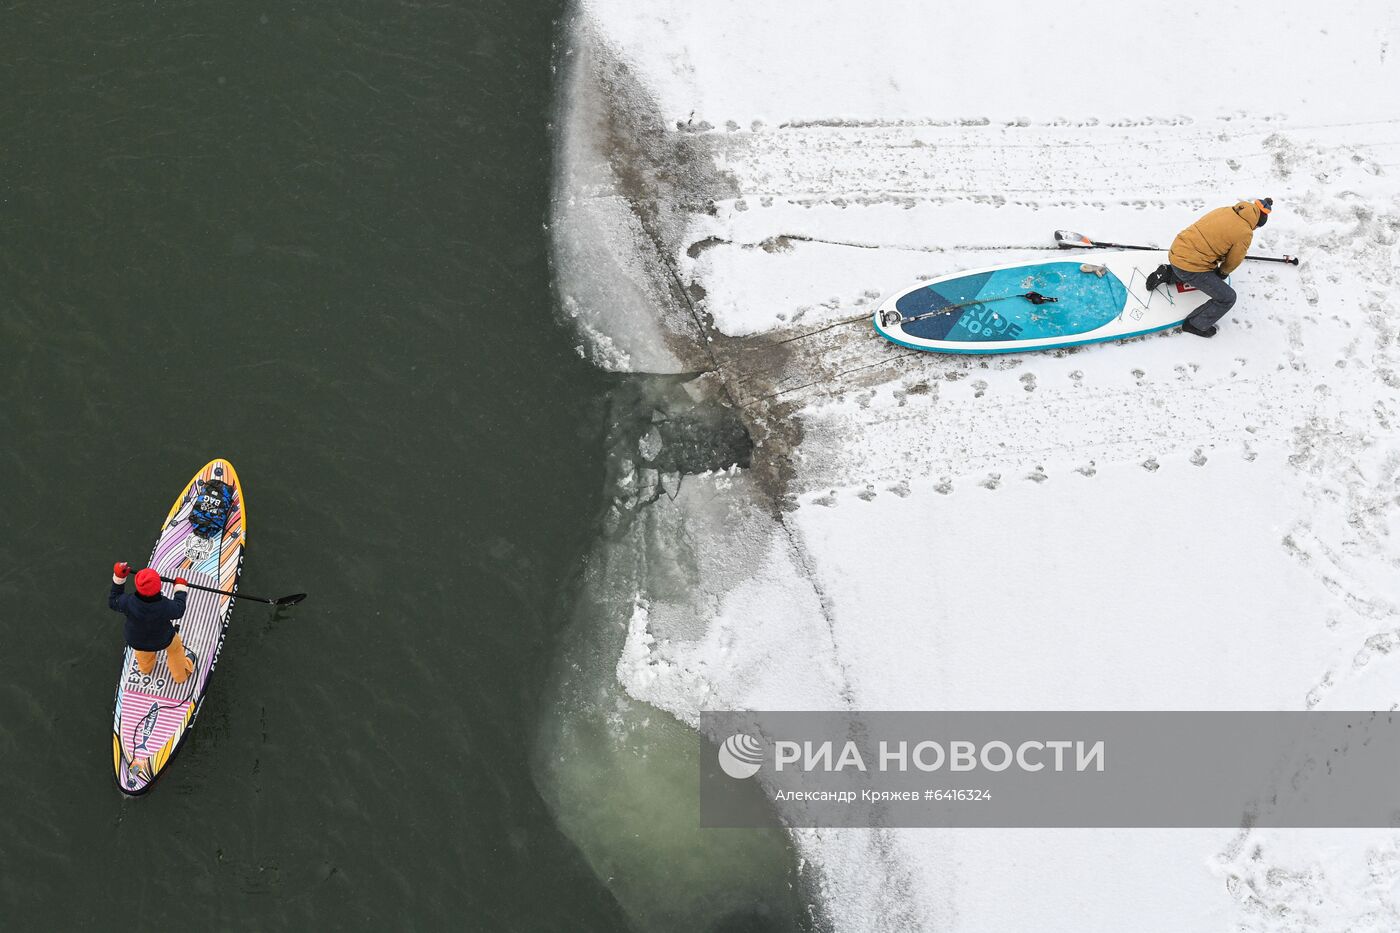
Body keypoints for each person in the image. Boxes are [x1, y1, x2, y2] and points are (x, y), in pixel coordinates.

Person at [1145, 197, 1272, 338]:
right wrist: (1223, 272)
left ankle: (1169, 272)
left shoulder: (1226, 210)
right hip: (1189, 266)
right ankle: (1195, 324)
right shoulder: (1245, 233)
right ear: (1257, 223)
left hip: (1177, 250)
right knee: (1228, 298)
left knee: (1200, 267)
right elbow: (1234, 260)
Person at [110, 562, 194, 683]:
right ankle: (181, 675)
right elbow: (179, 610)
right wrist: (180, 589)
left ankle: (145, 668)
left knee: (142, 650)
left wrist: (119, 577)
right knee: (175, 649)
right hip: (163, 639)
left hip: (136, 640)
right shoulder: (165, 606)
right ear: (159, 587)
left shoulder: (127, 602)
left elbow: (113, 601)